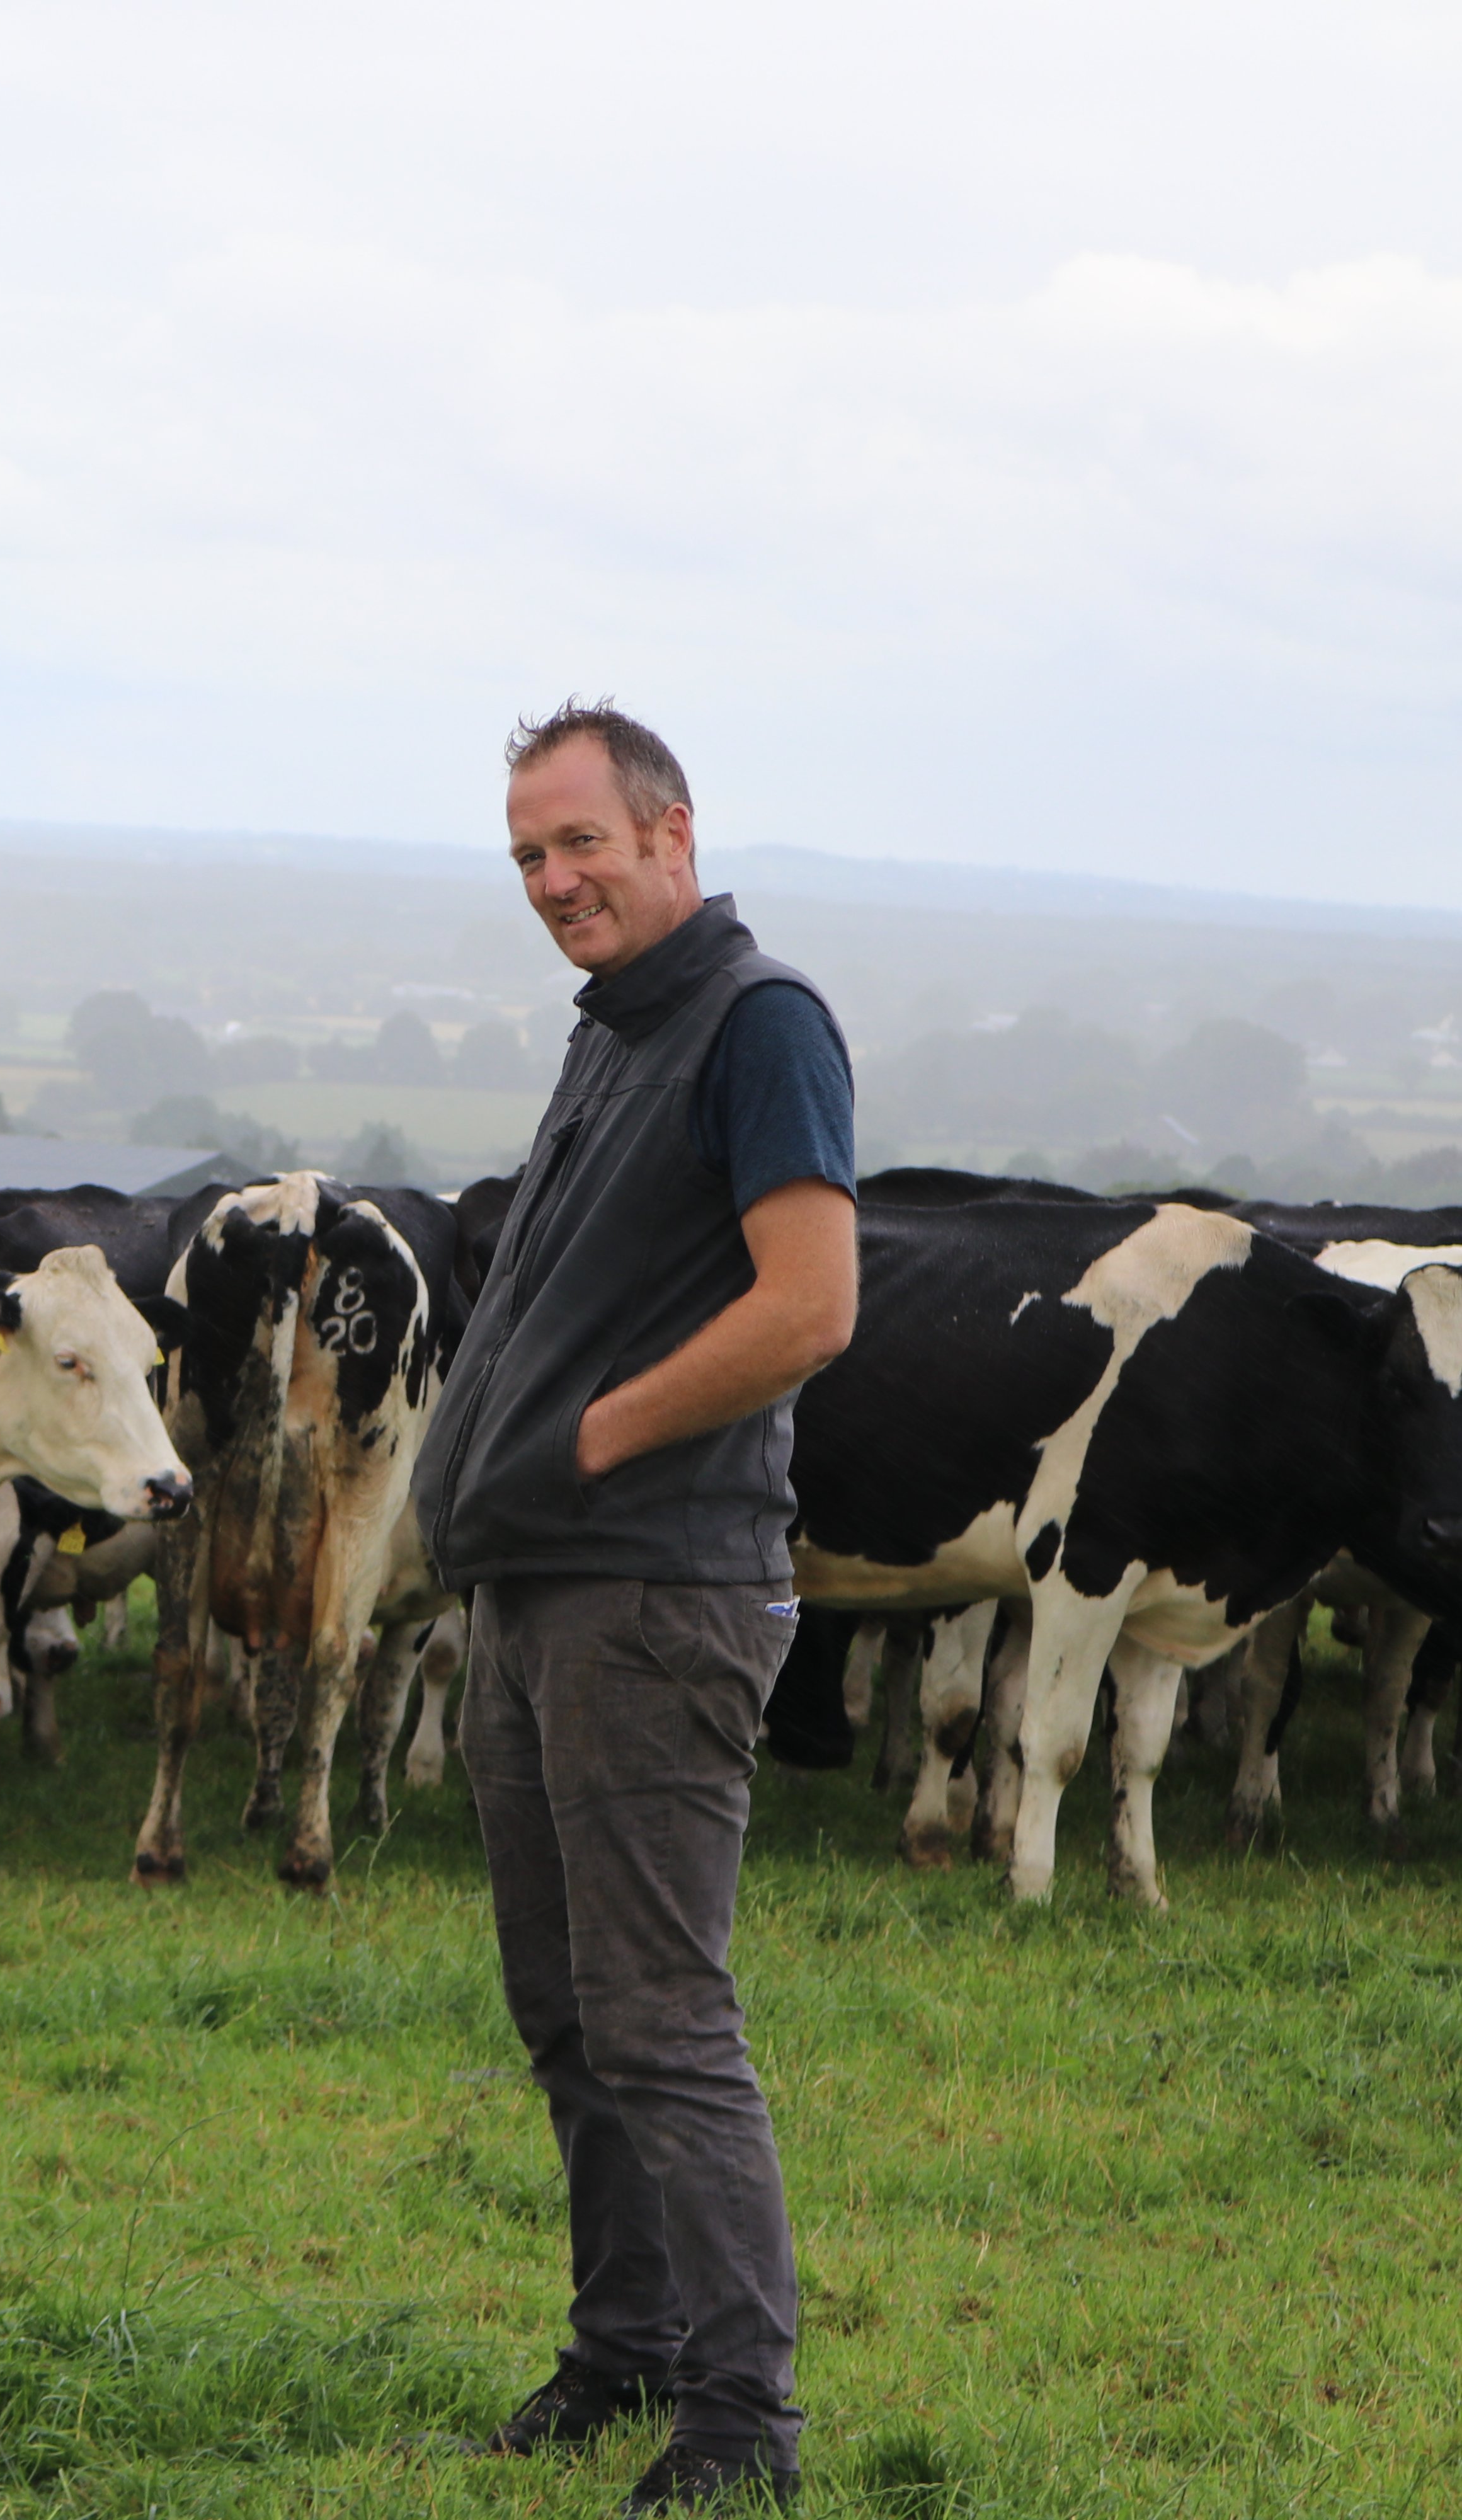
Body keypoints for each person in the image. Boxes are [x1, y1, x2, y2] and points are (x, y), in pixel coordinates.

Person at [408, 702, 857, 2514]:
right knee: (567, 2008)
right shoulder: (621, 1035)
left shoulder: (760, 1026)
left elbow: (809, 1304)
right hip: (542, 1587)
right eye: (528, 855)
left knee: (660, 2018)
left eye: (580, 842)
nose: (554, 881)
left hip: (656, 1587)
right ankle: (627, 2352)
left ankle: (741, 2425)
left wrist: (588, 1438)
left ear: (672, 833)